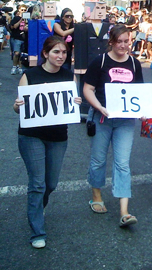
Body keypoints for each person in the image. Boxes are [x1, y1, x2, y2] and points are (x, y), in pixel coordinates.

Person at [14, 36, 82, 248]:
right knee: (37, 183)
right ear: (45, 54)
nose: (60, 56)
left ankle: (38, 207)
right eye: (56, 52)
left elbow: (71, 105)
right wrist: (18, 105)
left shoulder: (68, 76)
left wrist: (76, 102)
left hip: (58, 136)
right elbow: (18, 108)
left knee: (50, 183)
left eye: (63, 53)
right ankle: (37, 232)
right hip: (31, 135)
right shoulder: (29, 75)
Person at [83, 24, 143, 227]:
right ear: (111, 41)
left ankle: (124, 211)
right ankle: (96, 196)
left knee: (122, 163)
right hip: (102, 118)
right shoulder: (99, 61)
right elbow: (88, 89)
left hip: (125, 121)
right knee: (98, 160)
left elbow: (139, 93)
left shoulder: (135, 64)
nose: (123, 45)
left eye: (127, 41)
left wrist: (142, 111)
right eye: (120, 41)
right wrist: (99, 107)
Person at [9, 6, 28, 75]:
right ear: (19, 10)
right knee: (16, 53)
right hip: (17, 38)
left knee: (21, 54)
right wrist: (21, 19)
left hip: (25, 38)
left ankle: (19, 67)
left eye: (25, 10)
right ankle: (14, 67)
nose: (23, 11)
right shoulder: (16, 18)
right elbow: (14, 26)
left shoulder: (28, 19)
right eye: (22, 10)